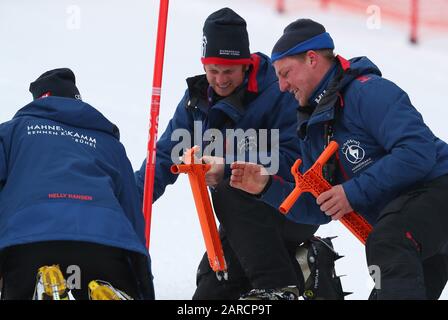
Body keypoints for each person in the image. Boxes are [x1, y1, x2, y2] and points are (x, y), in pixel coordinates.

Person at [230, 18, 448, 300]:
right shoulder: (314, 128)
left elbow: (417, 152)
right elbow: (320, 206)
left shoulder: (368, 91)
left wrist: (352, 192)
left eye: (285, 73)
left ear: (311, 59)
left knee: (387, 241)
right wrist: (266, 187)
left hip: (438, 192)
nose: (282, 86)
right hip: (411, 227)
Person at [136, 8, 344, 300]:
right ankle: (303, 267)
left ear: (246, 65)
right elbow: (164, 157)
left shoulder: (279, 90)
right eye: (213, 71)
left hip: (293, 206)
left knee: (229, 185)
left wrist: (228, 165)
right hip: (246, 225)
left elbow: (296, 160)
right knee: (209, 294)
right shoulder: (196, 102)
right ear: (203, 65)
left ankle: (279, 288)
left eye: (229, 71)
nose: (220, 80)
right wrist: (128, 201)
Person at [0, 68, 154, 300]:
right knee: (106, 281)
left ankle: (49, 286)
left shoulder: (12, 132)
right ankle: (105, 289)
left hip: (29, 239)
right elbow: (131, 211)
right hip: (105, 241)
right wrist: (140, 280)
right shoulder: (109, 143)